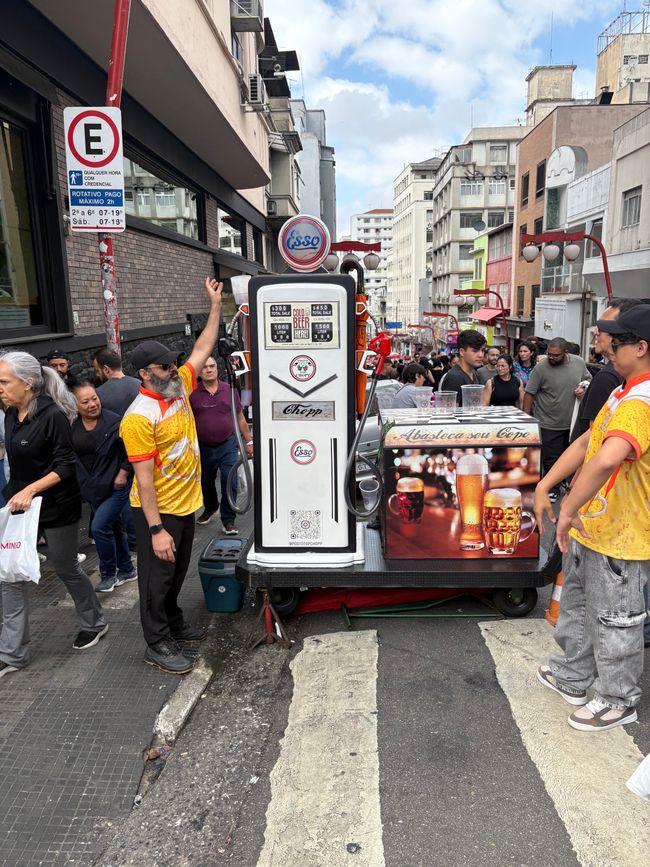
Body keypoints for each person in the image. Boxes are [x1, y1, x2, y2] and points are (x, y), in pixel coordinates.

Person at [533, 306, 650, 732]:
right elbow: (587, 441)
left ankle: (618, 698)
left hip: (623, 531)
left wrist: (566, 508)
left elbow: (607, 458)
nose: (609, 347)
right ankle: (573, 676)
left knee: (615, 617)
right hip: (596, 523)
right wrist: (547, 485)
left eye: (617, 342)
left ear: (641, 348)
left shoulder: (642, 399)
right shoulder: (623, 390)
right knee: (580, 605)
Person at [119, 277, 223, 675]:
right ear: (146, 374)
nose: (173, 368)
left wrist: (214, 305)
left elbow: (202, 348)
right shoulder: (139, 418)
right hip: (157, 512)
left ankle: (173, 622)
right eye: (165, 365)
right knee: (155, 579)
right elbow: (143, 480)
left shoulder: (176, 386)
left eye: (171, 362)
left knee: (176, 573)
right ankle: (156, 641)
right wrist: (156, 528)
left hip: (185, 505)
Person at [0, 352, 108, 678]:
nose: (0, 388)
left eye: (4, 381)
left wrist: (32, 489)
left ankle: (94, 622)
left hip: (56, 505)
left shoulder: (53, 416)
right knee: (9, 574)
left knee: (66, 567)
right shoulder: (9, 413)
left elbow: (64, 466)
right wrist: (19, 494)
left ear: (27, 383)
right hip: (19, 507)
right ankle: (13, 653)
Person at [70, 380, 137, 593]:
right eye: (85, 401)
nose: (92, 404)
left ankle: (108, 574)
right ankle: (127, 569)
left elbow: (132, 451)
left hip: (116, 487)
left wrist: (123, 473)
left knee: (99, 528)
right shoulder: (74, 426)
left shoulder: (115, 422)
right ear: (75, 405)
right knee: (113, 527)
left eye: (94, 398)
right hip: (93, 490)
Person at [190, 356, 253, 532]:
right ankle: (211, 507)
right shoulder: (191, 392)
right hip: (202, 447)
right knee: (205, 481)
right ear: (199, 372)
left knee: (229, 479)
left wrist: (249, 441)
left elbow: (239, 417)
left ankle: (228, 520)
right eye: (205, 367)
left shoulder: (229, 390)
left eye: (212, 366)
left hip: (227, 444)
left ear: (217, 368)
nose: (209, 370)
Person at [523, 338, 589, 502]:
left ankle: (566, 486)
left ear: (566, 353)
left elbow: (589, 380)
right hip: (547, 421)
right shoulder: (541, 368)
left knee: (570, 457)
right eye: (549, 354)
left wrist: (584, 388)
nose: (551, 357)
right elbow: (529, 393)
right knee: (551, 458)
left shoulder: (579, 363)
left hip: (572, 422)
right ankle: (551, 488)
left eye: (555, 355)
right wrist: (527, 419)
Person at [438, 330, 487, 401]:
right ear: (462, 352)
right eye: (475, 351)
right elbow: (450, 410)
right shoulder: (454, 378)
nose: (481, 355)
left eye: (482, 350)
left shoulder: (475, 374)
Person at [92, 348, 141, 417]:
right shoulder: (140, 384)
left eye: (97, 371)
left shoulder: (98, 394)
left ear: (106, 369)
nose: (97, 374)